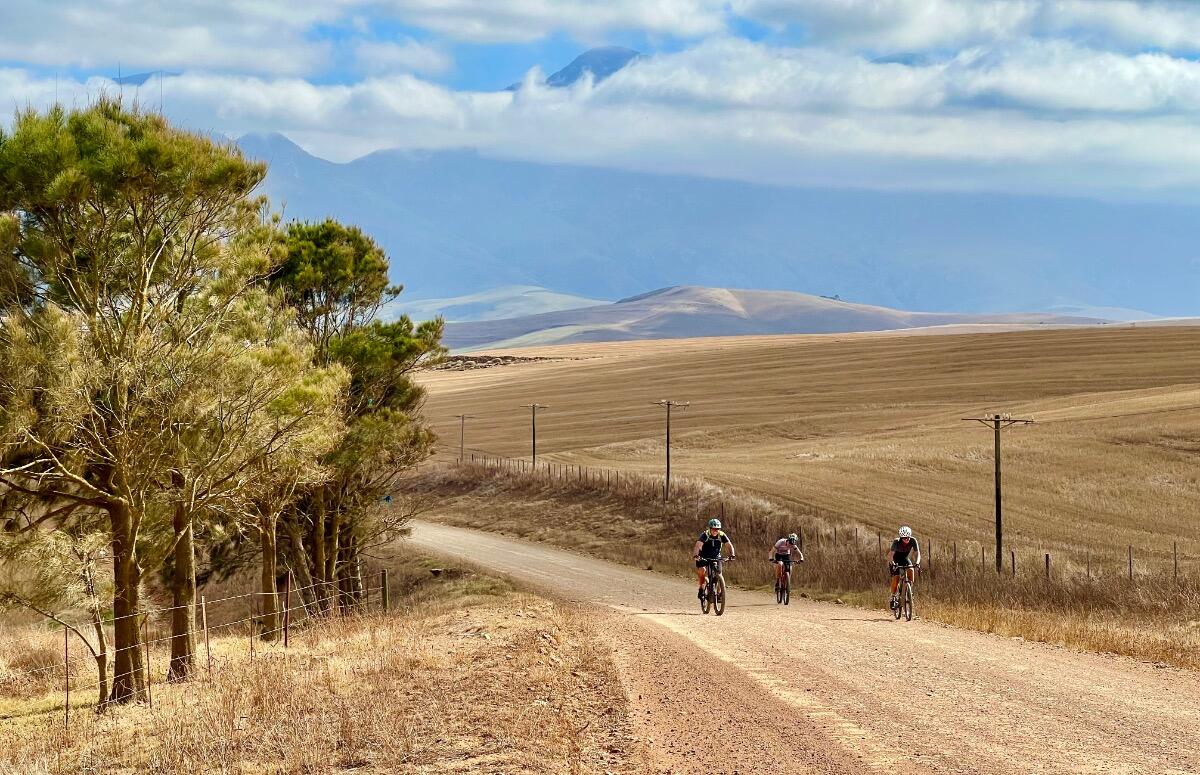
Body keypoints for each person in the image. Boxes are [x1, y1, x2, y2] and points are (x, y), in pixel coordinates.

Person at [693, 518, 735, 599]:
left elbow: (729, 545)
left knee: (719, 574)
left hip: (716, 557)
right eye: (713, 529)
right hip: (703, 556)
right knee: (702, 571)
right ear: (710, 528)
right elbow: (698, 545)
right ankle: (701, 588)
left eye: (717, 529)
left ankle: (719, 594)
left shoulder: (721, 535)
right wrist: (696, 555)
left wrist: (732, 554)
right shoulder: (705, 534)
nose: (715, 531)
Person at [887, 525, 921, 610]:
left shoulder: (913, 540)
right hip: (895, 560)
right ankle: (893, 596)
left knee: (911, 569)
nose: (906, 539)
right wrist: (893, 563)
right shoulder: (896, 541)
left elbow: (917, 553)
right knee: (896, 578)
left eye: (908, 537)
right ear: (901, 537)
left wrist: (917, 562)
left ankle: (909, 590)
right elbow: (891, 555)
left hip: (904, 559)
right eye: (904, 538)